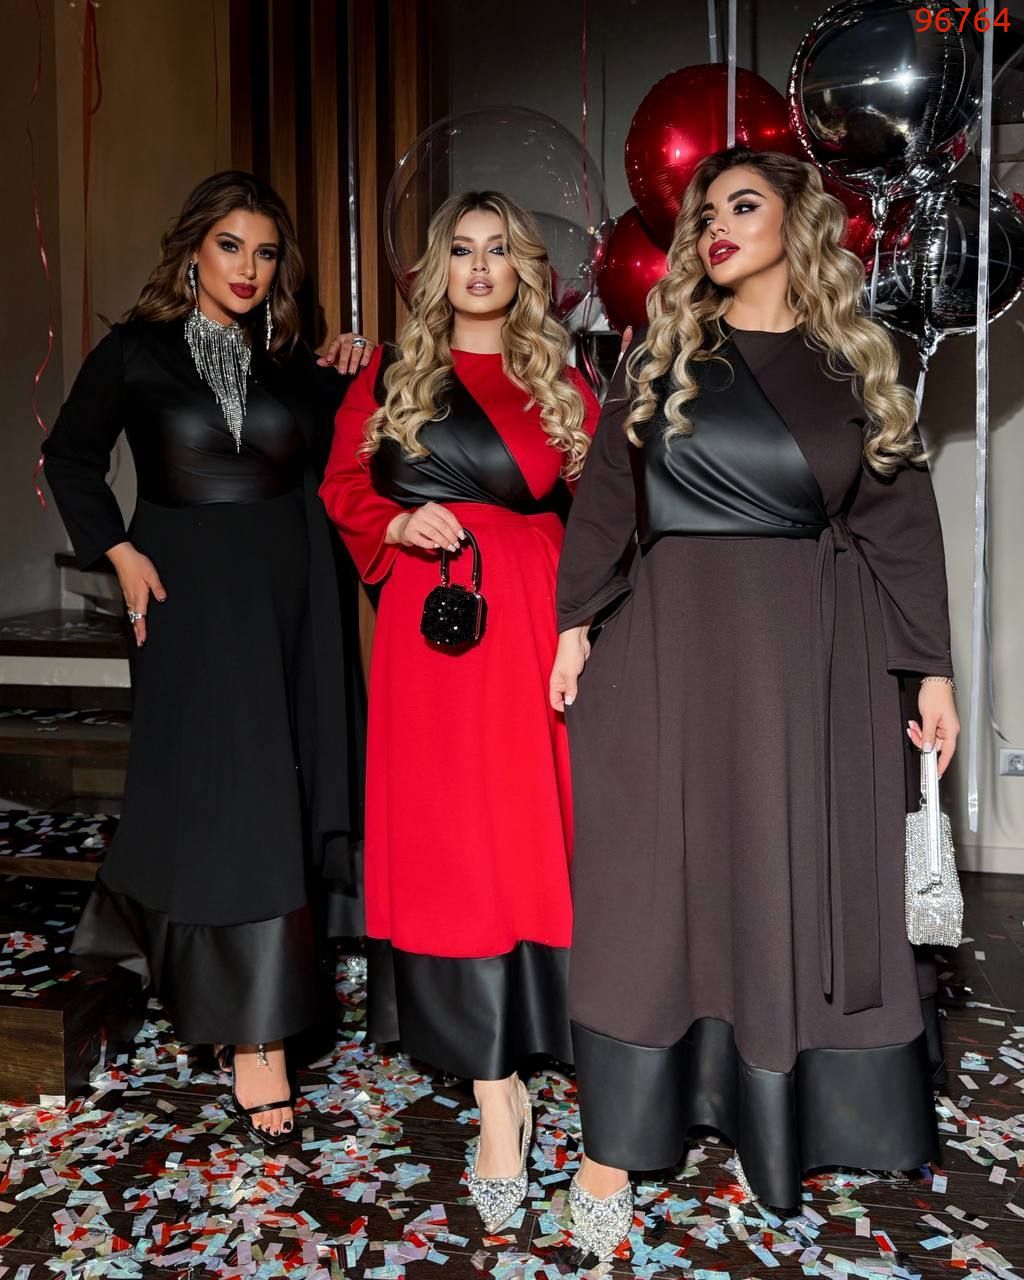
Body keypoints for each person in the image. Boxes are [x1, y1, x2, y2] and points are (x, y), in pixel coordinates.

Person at [550, 146, 959, 1255]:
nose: (716, 227)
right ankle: (616, 1136)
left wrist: (930, 669)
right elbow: (605, 500)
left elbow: (898, 525)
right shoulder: (661, 355)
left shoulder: (853, 364)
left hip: (804, 660)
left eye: (743, 205)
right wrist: (573, 622)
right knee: (652, 890)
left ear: (796, 224)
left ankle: (772, 1114)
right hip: (668, 654)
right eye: (705, 214)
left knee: (786, 872)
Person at [43, 170, 373, 1146]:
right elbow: (70, 457)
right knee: (218, 798)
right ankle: (244, 1024)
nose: (247, 268)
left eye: (265, 252)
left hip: (288, 598)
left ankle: (258, 1024)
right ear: (193, 248)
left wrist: (359, 367)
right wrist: (117, 551)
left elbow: (360, 450)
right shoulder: (135, 351)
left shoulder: (292, 364)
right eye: (231, 245)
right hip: (183, 597)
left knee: (271, 795)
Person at [320, 190, 600, 1232]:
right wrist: (397, 523)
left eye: (498, 250)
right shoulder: (392, 374)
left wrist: (585, 623)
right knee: (446, 835)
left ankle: (543, 1036)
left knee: (525, 823)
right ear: (437, 268)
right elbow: (340, 486)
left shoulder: (560, 377)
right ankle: (494, 1097)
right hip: (427, 632)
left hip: (532, 614)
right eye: (461, 250)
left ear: (522, 268)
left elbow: (608, 510)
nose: (479, 267)